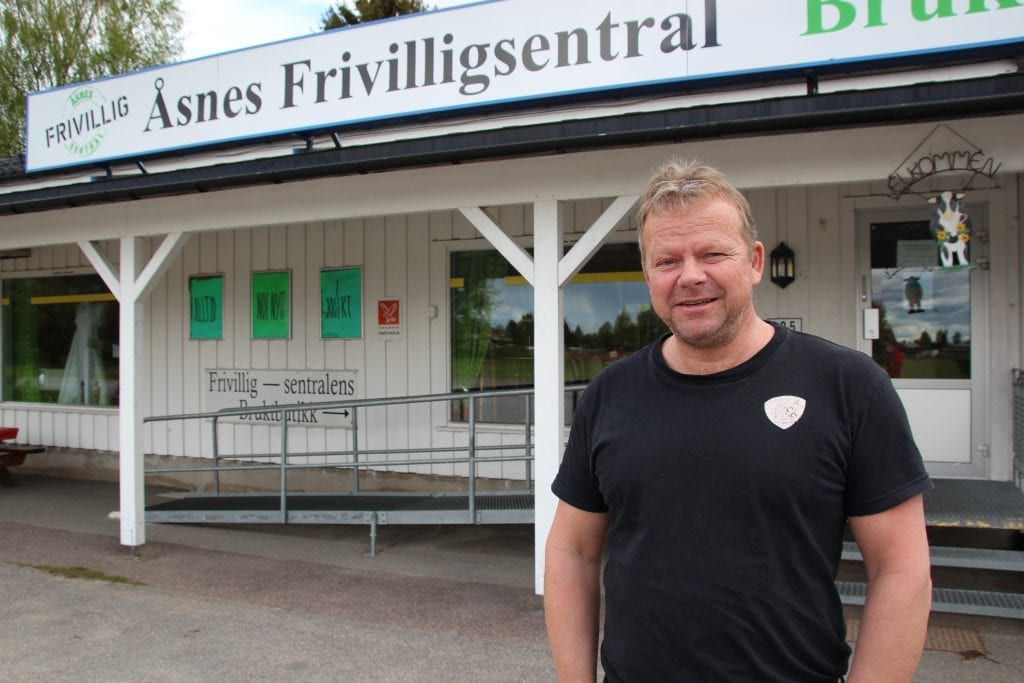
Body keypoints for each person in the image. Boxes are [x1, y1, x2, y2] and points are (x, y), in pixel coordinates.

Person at [544, 159, 933, 682]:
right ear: (648, 275)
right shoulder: (609, 394)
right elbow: (572, 549)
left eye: (712, 253)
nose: (690, 276)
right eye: (667, 261)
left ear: (753, 261)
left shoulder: (847, 386)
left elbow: (901, 570)